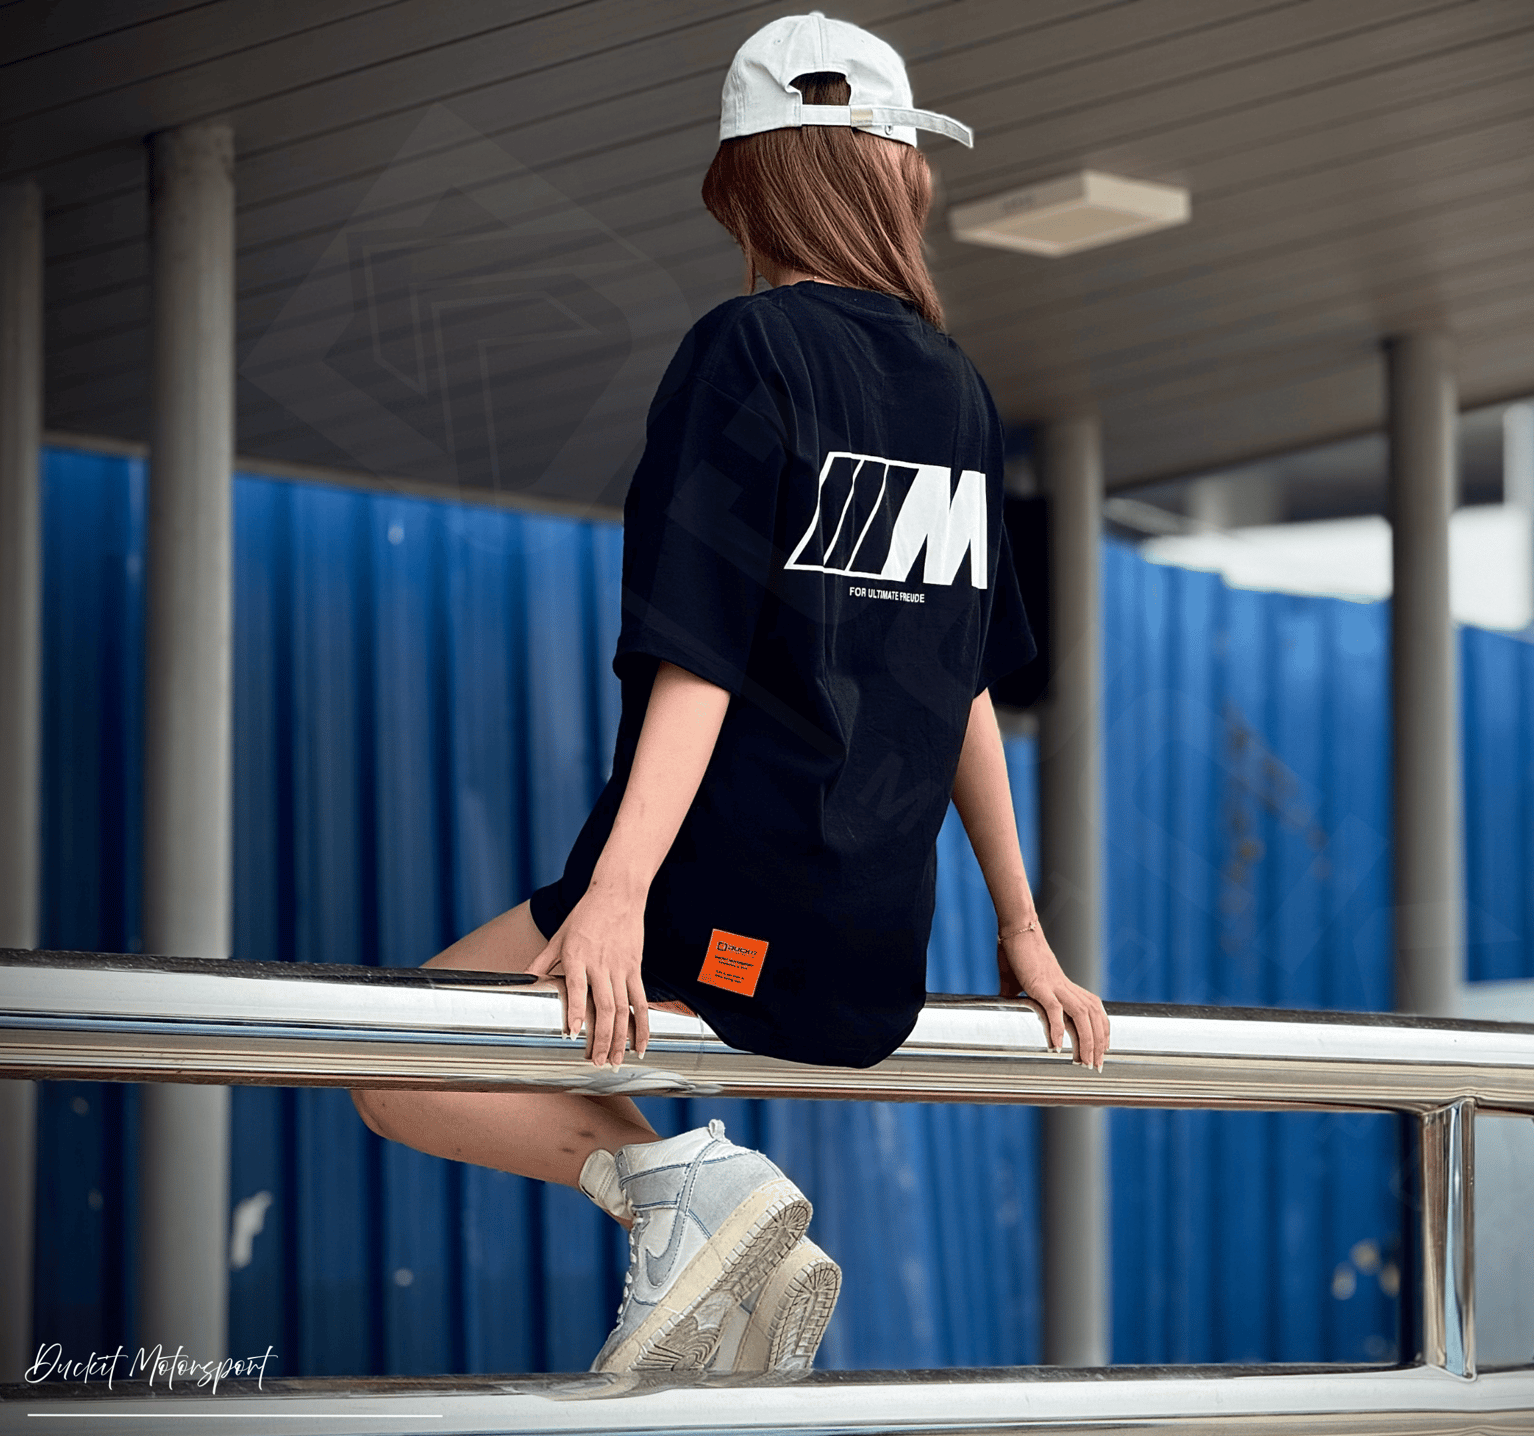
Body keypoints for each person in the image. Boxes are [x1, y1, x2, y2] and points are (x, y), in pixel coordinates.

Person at [351, 10, 1110, 1378]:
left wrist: (622, 893)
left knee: (395, 1066)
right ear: (891, 174)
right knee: (456, 1044)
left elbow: (700, 648)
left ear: (750, 181)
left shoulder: (745, 351)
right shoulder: (957, 391)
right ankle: (692, 1203)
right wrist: (1024, 929)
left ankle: (684, 1192)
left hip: (716, 907)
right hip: (872, 954)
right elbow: (965, 696)